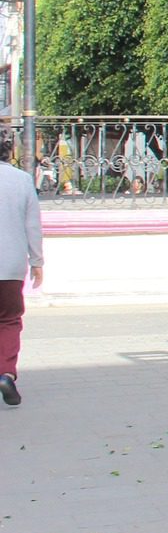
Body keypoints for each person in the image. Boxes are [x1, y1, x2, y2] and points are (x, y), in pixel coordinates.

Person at [0, 135, 45, 407]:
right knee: (8, 321)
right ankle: (5, 373)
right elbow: (33, 225)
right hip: (11, 265)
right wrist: (37, 262)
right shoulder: (21, 180)